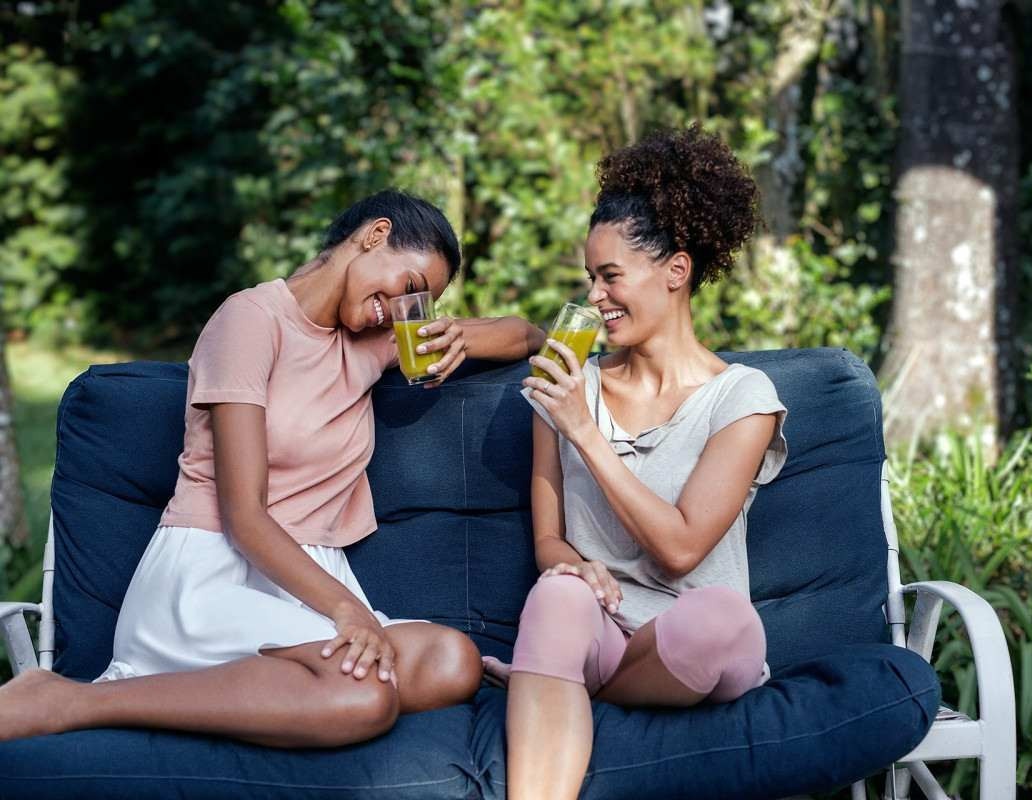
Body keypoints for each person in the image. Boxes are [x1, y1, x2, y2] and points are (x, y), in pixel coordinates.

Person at [0, 189, 544, 747]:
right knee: (365, 696)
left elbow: (528, 334)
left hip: (307, 581)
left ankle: (260, 693)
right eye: (410, 287)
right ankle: (74, 699)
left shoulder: (378, 341)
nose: (404, 308)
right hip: (216, 568)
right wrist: (352, 614)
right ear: (374, 235)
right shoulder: (250, 321)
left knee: (450, 661)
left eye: (423, 302)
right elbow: (244, 516)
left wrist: (456, 334)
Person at [485, 127, 789, 799]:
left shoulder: (743, 399)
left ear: (675, 272)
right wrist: (573, 566)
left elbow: (681, 549)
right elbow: (548, 539)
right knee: (558, 595)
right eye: (590, 279)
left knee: (724, 618)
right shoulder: (569, 385)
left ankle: (559, 682)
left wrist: (586, 434)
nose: (595, 296)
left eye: (610, 276)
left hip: (694, 644)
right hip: (601, 625)